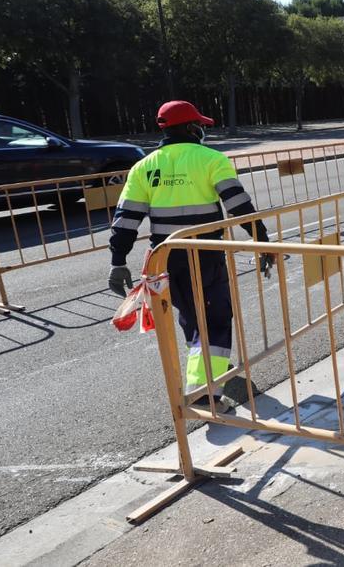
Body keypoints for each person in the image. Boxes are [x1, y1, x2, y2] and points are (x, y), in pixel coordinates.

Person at [107, 100, 274, 408]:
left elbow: (126, 220)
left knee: (190, 315)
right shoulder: (210, 159)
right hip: (205, 253)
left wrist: (117, 261)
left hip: (164, 257)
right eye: (199, 125)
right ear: (188, 128)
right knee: (217, 318)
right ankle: (204, 394)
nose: (202, 130)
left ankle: (205, 370)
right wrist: (262, 242)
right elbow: (239, 207)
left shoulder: (144, 166)